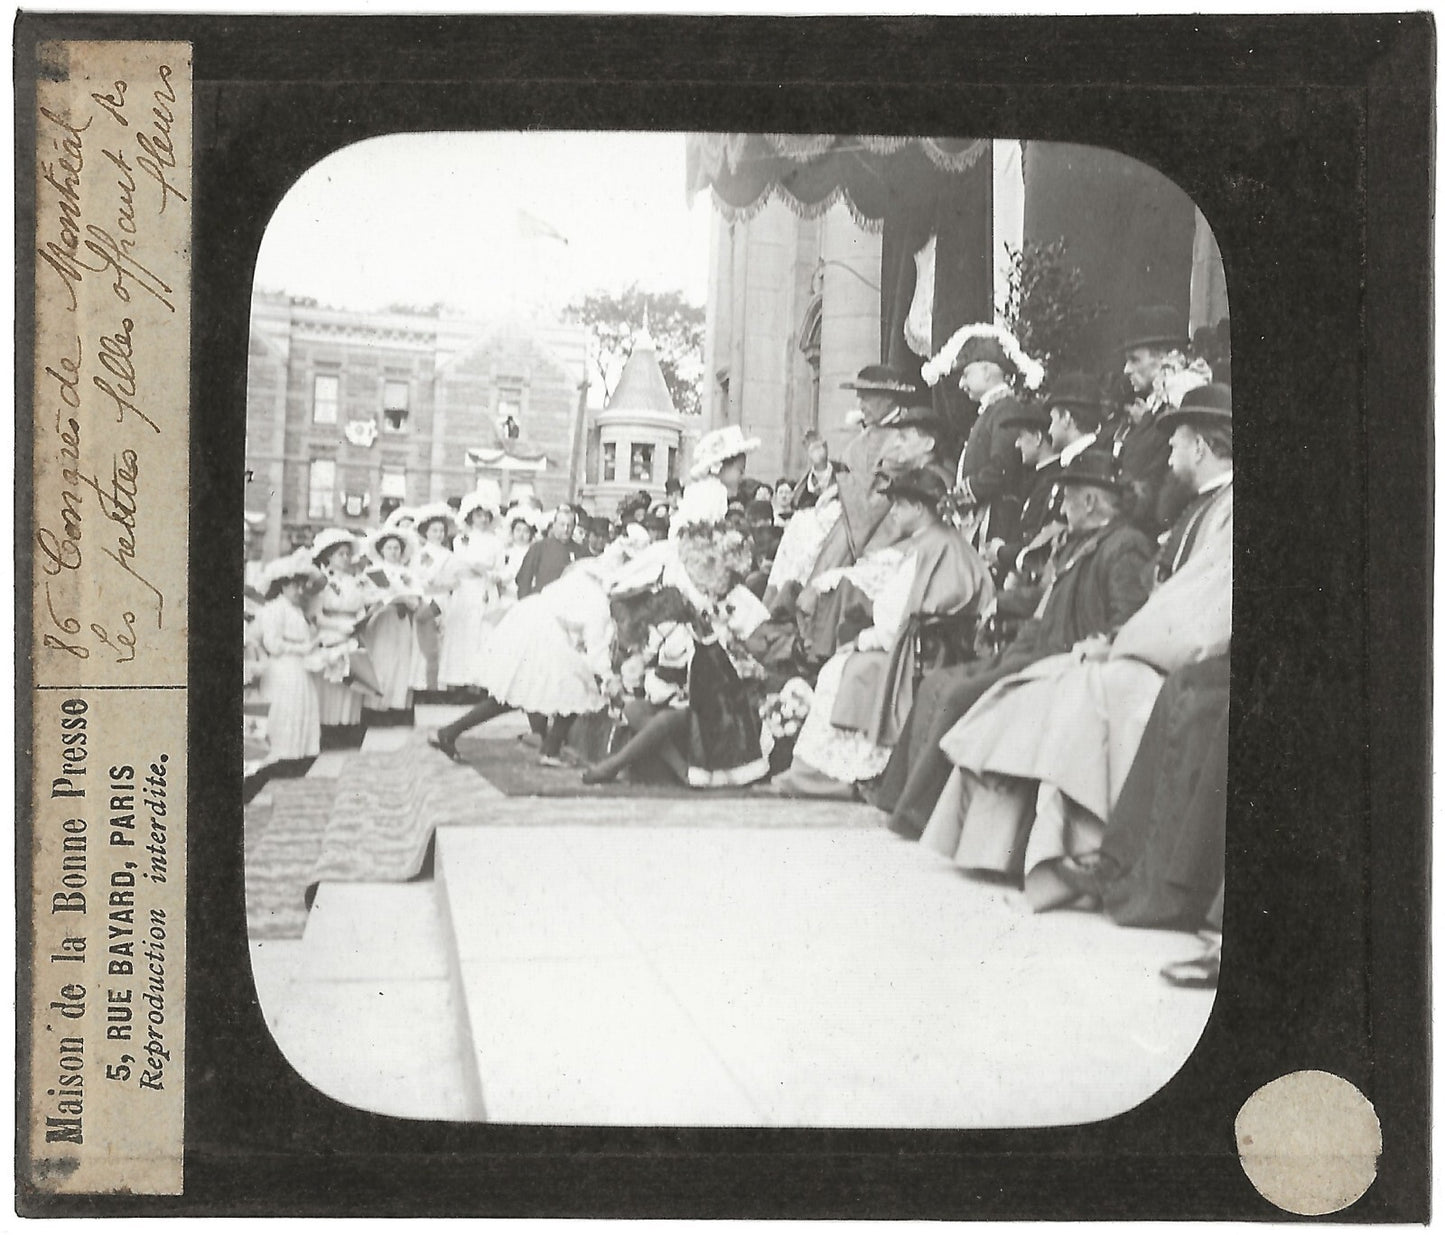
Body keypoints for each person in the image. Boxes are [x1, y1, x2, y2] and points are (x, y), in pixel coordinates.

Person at [918, 384, 1233, 908]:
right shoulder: (1201, 508)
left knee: (1080, 693)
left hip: (1179, 660)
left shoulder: (1226, 511)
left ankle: (1080, 857)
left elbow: (1202, 609)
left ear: (1201, 447)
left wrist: (1118, 644)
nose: (1171, 456)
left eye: (1177, 443)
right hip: (1153, 650)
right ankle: (1007, 851)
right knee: (1039, 687)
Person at [874, 448, 1156, 837]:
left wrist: (1099, 645)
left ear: (1089, 501)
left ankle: (921, 816)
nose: (1063, 506)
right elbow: (1051, 600)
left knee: (960, 695)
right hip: (1033, 645)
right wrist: (1001, 601)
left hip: (1061, 656)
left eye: (1068, 497)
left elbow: (1129, 619)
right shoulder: (1080, 542)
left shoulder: (1124, 546)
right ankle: (900, 801)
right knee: (938, 683)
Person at [772, 469, 994, 798]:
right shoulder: (948, 543)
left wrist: (865, 640)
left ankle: (834, 777)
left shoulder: (929, 549)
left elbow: (897, 621)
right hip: (937, 647)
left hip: (921, 653)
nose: (893, 513)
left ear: (920, 508)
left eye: (900, 506)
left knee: (840, 668)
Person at [428, 544, 643, 766]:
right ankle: (548, 750)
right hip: (542, 630)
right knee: (576, 689)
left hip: (528, 618)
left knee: (517, 693)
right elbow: (596, 653)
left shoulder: (581, 575)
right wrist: (609, 679)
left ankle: (450, 733)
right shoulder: (599, 604)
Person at [922, 322, 1046, 547]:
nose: (961, 384)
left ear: (987, 371)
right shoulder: (993, 410)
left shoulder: (1005, 408)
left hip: (996, 521)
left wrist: (961, 495)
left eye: (966, 374)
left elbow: (1001, 467)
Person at [1108, 305, 1212, 532]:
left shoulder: (1184, 403)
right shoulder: (1157, 406)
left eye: (1134, 360)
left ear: (1168, 357)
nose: (1126, 369)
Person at [307, 527, 378, 748]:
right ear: (328, 556)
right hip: (330, 633)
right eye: (341, 554)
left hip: (352, 633)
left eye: (348, 554)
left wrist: (362, 619)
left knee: (352, 681)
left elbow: (361, 605)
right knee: (332, 683)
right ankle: (328, 730)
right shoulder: (321, 581)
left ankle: (348, 728)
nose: (346, 558)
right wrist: (340, 625)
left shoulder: (355, 580)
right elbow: (315, 615)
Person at [255, 548, 324, 769]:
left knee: (300, 708)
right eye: (296, 584)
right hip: (282, 669)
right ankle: (281, 758)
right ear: (283, 585)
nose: (300, 590)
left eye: (303, 584)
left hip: (299, 668)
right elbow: (272, 644)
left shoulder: (297, 610)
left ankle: (297, 756)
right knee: (284, 710)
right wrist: (302, 647)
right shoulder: (274, 609)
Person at [436, 489, 506, 691]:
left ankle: (479, 684)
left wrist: (489, 575)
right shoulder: (460, 540)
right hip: (465, 589)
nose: (483, 519)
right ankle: (459, 681)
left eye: (486, 516)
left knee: (483, 634)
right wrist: (475, 567)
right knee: (462, 634)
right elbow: (460, 564)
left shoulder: (496, 542)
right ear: (470, 516)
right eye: (478, 515)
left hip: (486, 589)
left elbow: (499, 568)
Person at [360, 524, 424, 719]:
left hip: (401, 620)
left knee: (401, 659)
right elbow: (368, 596)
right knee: (381, 658)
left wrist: (403, 598)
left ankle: (398, 705)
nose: (394, 552)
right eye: (389, 548)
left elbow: (416, 598)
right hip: (382, 620)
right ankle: (377, 706)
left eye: (397, 548)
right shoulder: (373, 571)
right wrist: (388, 597)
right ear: (381, 550)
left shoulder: (408, 573)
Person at [515, 505, 580, 598]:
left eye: (569, 525)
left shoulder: (579, 550)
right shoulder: (539, 547)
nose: (566, 529)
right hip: (543, 602)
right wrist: (525, 602)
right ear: (554, 525)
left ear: (574, 527)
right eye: (562, 524)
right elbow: (524, 578)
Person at [791, 430, 840, 511]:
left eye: (818, 447)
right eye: (812, 449)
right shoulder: (802, 488)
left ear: (825, 447)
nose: (817, 452)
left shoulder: (841, 469)